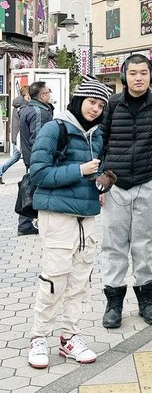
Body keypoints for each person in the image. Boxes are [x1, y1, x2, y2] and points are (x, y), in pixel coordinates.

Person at [27, 76, 113, 369]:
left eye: (101, 105)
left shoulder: (96, 134)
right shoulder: (55, 128)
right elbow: (38, 175)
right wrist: (79, 170)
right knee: (54, 279)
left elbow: (92, 173)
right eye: (91, 102)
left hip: (86, 217)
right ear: (78, 101)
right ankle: (39, 337)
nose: (96, 109)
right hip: (57, 216)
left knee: (80, 282)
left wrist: (101, 183)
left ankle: (69, 337)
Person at [100, 54, 152, 329]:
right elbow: (100, 143)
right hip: (115, 184)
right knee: (113, 244)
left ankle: (147, 302)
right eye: (133, 73)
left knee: (144, 244)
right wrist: (100, 182)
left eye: (143, 72)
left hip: (148, 182)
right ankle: (114, 304)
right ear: (124, 76)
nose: (138, 78)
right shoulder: (111, 104)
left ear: (150, 75)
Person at [18, 81, 54, 236]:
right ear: (42, 95)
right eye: (48, 91)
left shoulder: (29, 109)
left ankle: (26, 223)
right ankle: (26, 224)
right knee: (32, 188)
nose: (50, 94)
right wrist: (42, 159)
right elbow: (38, 139)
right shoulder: (38, 112)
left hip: (30, 157)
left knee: (30, 187)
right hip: (37, 158)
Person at [0, 85, 30, 184]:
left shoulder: (18, 105)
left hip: (17, 135)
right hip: (20, 136)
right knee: (20, 156)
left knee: (17, 156)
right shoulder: (23, 106)